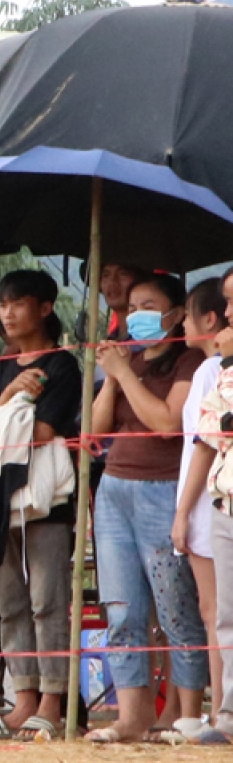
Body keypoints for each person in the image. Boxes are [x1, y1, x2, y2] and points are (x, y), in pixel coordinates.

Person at [90, 273, 208, 743]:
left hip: (163, 490)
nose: (137, 315)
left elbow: (167, 423)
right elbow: (96, 427)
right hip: (115, 489)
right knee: (121, 610)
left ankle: (182, 716)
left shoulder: (190, 362)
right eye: (132, 306)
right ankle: (131, 716)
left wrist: (123, 376)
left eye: (150, 305)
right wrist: (114, 374)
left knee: (176, 609)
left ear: (177, 315)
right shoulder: (129, 360)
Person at [173, 277, 228, 721]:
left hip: (209, 500)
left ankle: (221, 710)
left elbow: (202, 444)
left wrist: (181, 511)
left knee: (214, 610)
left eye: (189, 316)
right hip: (210, 499)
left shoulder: (212, 372)